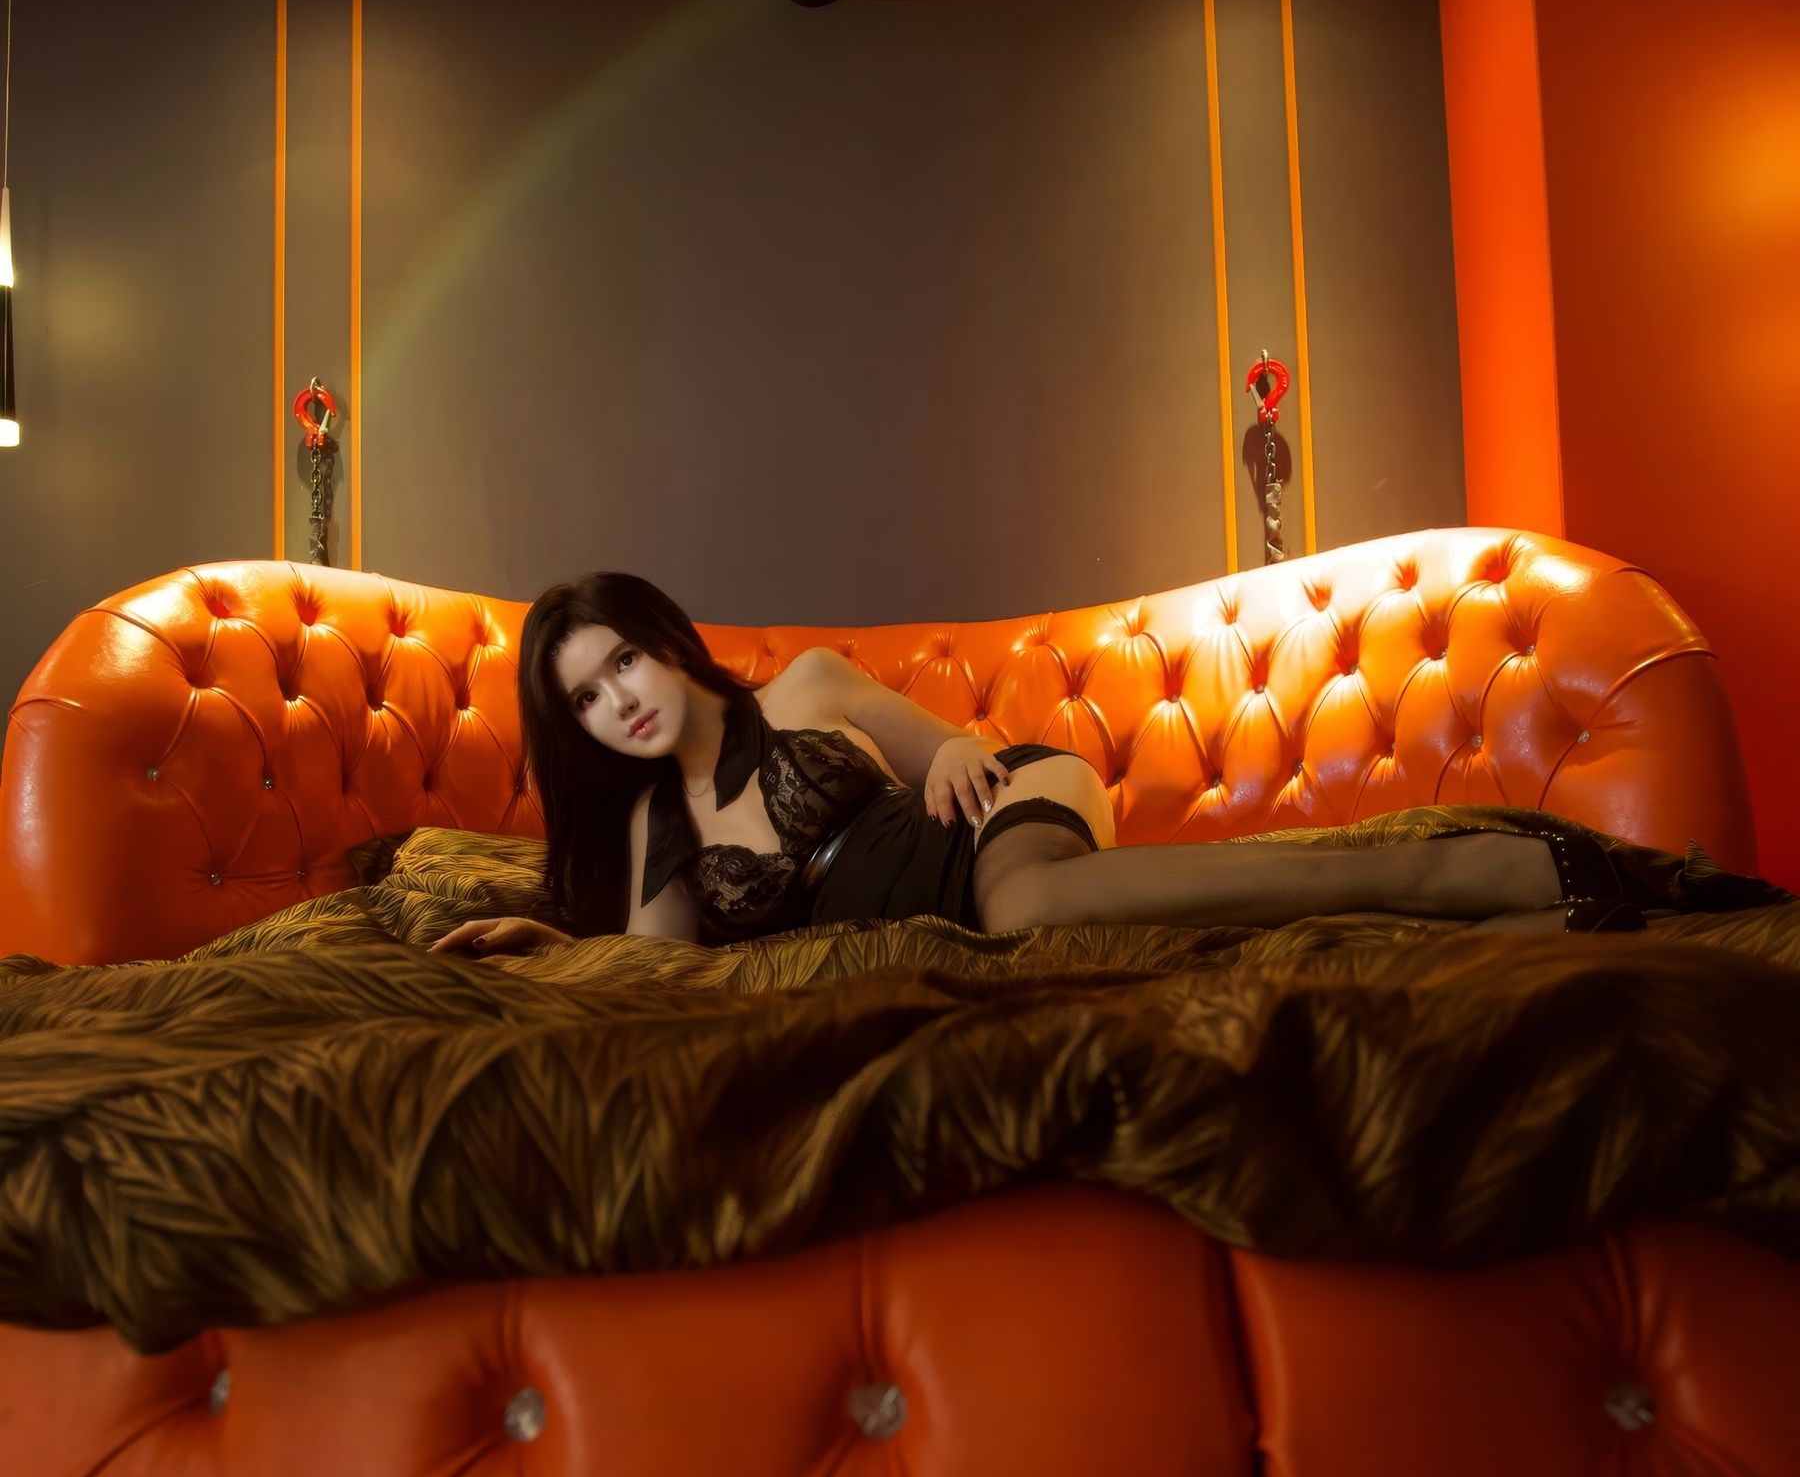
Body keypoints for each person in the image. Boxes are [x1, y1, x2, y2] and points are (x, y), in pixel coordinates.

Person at [427, 573, 1764, 964]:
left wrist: (954, 759)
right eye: (586, 698)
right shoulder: (657, 834)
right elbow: (651, 975)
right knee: (1075, 936)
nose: (619, 702)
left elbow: (949, 748)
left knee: (1029, 910)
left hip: (998, 816)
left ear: (666, 643)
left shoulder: (807, 689)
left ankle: (1484, 868)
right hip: (950, 916)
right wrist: (548, 944)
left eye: (623, 663)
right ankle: (1538, 913)